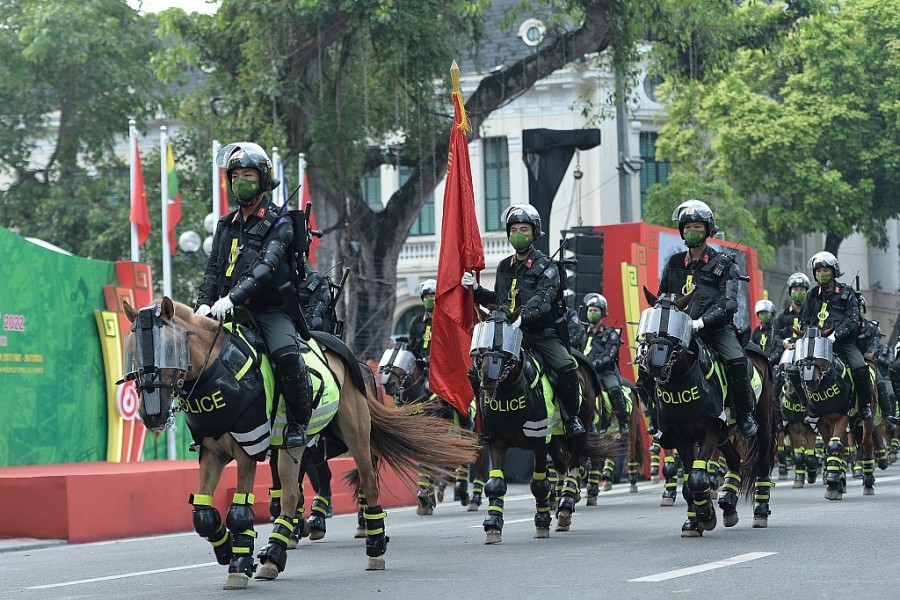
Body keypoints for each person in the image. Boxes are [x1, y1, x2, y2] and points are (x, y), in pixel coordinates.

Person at [195, 141, 311, 448]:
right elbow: (213, 270)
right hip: (228, 312)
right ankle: (205, 429)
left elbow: (265, 269)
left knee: (286, 356)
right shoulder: (224, 225)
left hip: (269, 310)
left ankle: (299, 423)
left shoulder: (280, 223)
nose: (240, 182)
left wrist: (231, 298)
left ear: (262, 179)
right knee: (195, 354)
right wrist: (203, 305)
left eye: (248, 175)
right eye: (235, 176)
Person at [460, 203, 585, 437]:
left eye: (524, 229)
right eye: (514, 230)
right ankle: (480, 421)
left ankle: (571, 418)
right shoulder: (503, 266)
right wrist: (476, 289)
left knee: (567, 368)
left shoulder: (546, 266)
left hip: (541, 334)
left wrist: (522, 319)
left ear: (534, 232)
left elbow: (544, 301)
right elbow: (499, 301)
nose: (518, 234)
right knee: (476, 369)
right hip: (509, 336)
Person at [657, 199, 758, 437]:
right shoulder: (672, 263)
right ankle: (659, 419)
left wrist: (702, 322)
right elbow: (663, 295)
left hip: (714, 329)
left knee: (736, 361)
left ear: (709, 230)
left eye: (698, 227)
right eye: (688, 227)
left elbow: (729, 303)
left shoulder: (724, 264)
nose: (692, 231)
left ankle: (743, 414)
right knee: (650, 363)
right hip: (678, 333)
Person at [799, 251, 873, 421]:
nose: (821, 274)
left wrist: (835, 336)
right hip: (817, 346)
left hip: (842, 343)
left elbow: (853, 321)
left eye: (825, 270)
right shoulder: (810, 295)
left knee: (860, 368)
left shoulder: (847, 292)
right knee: (795, 371)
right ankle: (808, 407)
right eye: (818, 271)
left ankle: (864, 405)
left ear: (833, 271)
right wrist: (813, 336)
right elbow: (805, 321)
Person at [582, 293, 630, 436]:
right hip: (585, 371)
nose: (592, 313)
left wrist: (594, 364)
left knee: (615, 389)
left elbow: (610, 355)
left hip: (604, 372)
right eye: (590, 310)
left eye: (595, 310)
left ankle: (623, 423)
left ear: (602, 313)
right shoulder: (582, 332)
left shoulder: (611, 333)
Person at [408, 279, 436, 365]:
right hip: (419, 364)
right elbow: (411, 344)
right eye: (426, 297)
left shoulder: (444, 321)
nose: (428, 300)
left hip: (438, 365)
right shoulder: (416, 321)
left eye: (431, 297)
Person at [750, 299, 782, 366]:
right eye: (761, 314)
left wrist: (769, 360)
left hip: (775, 365)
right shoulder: (755, 332)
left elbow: (780, 348)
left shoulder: (777, 330)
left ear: (772, 314)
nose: (764, 315)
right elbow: (752, 349)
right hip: (760, 365)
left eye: (766, 313)